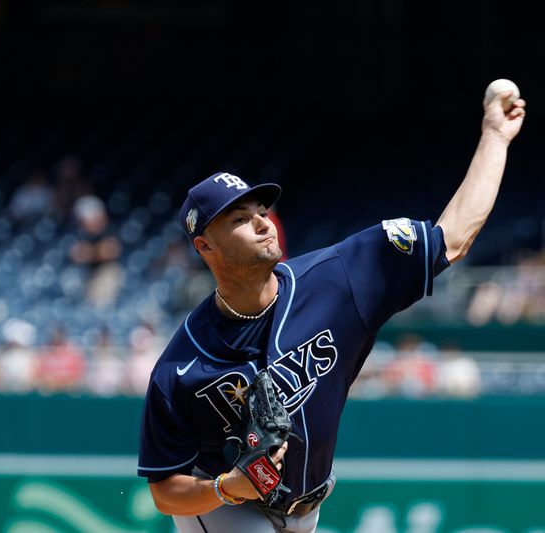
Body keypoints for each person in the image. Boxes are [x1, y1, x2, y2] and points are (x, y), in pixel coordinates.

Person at [137, 88, 526, 532]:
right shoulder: (182, 365)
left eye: (260, 208)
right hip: (227, 510)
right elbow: (164, 490)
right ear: (205, 246)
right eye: (239, 219)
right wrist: (227, 488)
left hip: (309, 507)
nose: (263, 221)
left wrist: (495, 137)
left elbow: (452, 238)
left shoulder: (338, 278)